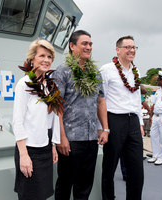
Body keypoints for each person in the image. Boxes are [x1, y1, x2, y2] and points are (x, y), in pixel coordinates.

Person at [53, 30, 109, 200]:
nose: (88, 47)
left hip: (91, 138)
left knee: (85, 185)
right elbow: (56, 106)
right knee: (65, 184)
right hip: (71, 139)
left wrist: (105, 129)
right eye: (84, 43)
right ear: (72, 46)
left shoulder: (95, 73)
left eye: (90, 44)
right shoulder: (62, 71)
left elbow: (100, 101)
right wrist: (61, 138)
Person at [12, 38, 64, 200]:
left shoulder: (50, 86)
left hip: (46, 147)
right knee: (29, 195)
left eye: (49, 57)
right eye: (42, 55)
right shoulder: (24, 84)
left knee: (43, 194)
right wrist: (24, 156)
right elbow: (17, 121)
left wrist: (53, 145)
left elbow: (53, 118)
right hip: (29, 149)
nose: (46, 60)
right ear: (32, 58)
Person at [100, 35, 144, 200]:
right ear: (118, 50)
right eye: (128, 47)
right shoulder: (106, 70)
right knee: (109, 168)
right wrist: (103, 127)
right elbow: (100, 100)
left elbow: (137, 96)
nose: (131, 50)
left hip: (133, 121)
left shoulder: (136, 71)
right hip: (114, 121)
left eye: (134, 47)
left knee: (137, 169)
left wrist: (139, 123)